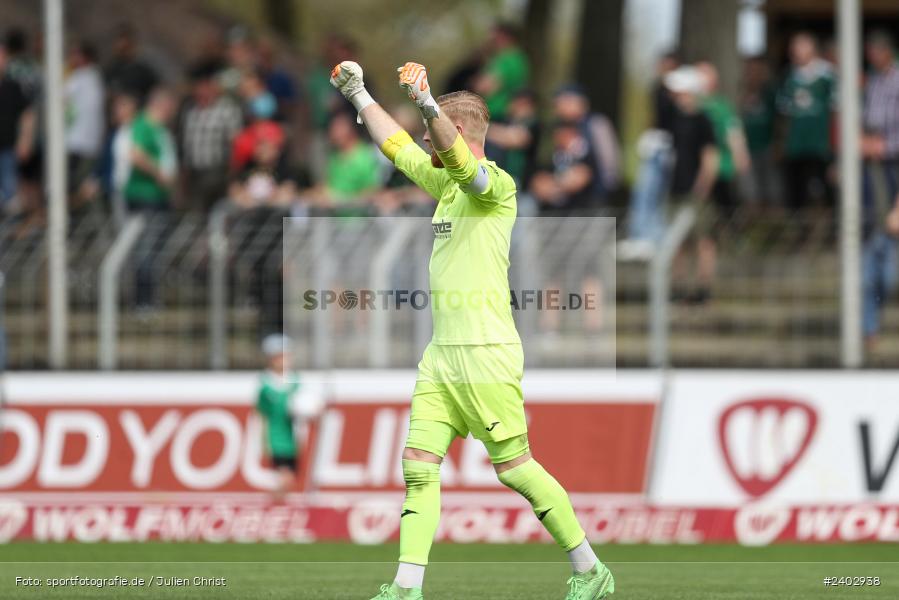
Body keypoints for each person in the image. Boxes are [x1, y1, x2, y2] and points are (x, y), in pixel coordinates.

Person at [330, 60, 614, 600]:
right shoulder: (444, 185)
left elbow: (465, 166)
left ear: (456, 132)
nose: (422, 137)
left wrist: (428, 103)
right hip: (442, 357)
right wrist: (359, 94)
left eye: (432, 128)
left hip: (486, 352)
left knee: (515, 468)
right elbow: (396, 147)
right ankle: (406, 587)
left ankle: (590, 568)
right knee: (418, 467)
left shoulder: (496, 187)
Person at [665, 66, 720, 304]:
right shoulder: (670, 119)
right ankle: (676, 286)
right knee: (676, 242)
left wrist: (703, 185)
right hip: (673, 189)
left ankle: (703, 287)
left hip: (695, 191)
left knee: (703, 239)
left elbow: (710, 156)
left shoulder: (702, 120)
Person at [861, 31, 899, 349]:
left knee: (888, 275)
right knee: (867, 276)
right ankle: (868, 330)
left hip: (892, 160)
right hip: (873, 175)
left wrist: (886, 145)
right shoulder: (872, 82)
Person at [125, 88, 178, 309]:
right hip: (145, 195)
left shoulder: (160, 129)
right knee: (146, 247)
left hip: (160, 196)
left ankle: (151, 296)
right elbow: (136, 154)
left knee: (156, 247)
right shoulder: (143, 125)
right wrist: (159, 175)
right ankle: (143, 299)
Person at [776, 32, 835, 210]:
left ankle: (828, 230)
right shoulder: (789, 76)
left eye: (801, 46)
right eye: (794, 47)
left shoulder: (827, 75)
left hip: (820, 144)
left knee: (823, 189)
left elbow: (837, 109)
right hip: (796, 146)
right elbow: (783, 110)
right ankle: (799, 232)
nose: (796, 51)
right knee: (796, 191)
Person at [178, 60, 243, 211]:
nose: (200, 90)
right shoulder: (190, 110)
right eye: (197, 86)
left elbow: (236, 141)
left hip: (217, 171)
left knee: (217, 212)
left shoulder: (227, 109)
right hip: (194, 171)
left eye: (204, 86)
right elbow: (185, 143)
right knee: (195, 213)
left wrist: (233, 173)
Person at [696, 62, 749, 214]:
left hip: (720, 166)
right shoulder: (692, 104)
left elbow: (733, 133)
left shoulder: (721, 106)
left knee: (723, 208)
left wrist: (740, 155)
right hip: (694, 168)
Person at [256, 334, 302, 502]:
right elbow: (262, 414)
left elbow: (303, 406)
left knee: (290, 478)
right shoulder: (266, 385)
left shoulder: (295, 381)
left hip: (293, 439)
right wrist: (263, 441)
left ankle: (277, 503)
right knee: (285, 476)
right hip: (277, 438)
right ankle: (273, 503)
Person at [65, 41, 105, 199]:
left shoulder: (83, 78)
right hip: (83, 141)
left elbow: (65, 102)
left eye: (75, 55)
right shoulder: (92, 77)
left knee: (81, 184)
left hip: (80, 141)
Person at [739, 55, 780, 207]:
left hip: (767, 145)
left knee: (771, 187)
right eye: (749, 70)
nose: (752, 74)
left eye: (756, 70)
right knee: (750, 190)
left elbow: (780, 119)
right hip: (748, 147)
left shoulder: (771, 93)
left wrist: (778, 143)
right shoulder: (741, 93)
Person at [0, 43, 34, 214]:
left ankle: (8, 234)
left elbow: (27, 115)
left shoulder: (13, 86)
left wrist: (25, 141)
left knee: (10, 197)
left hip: (8, 149)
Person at [474, 23, 530, 121]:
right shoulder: (518, 58)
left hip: (497, 115)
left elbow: (485, 87)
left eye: (493, 36)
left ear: (503, 36)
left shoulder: (506, 59)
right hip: (506, 113)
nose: (489, 39)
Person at [104, 23, 159, 105]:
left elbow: (154, 90)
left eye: (125, 45)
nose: (120, 46)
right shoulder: (112, 68)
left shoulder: (142, 68)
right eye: (118, 42)